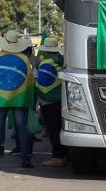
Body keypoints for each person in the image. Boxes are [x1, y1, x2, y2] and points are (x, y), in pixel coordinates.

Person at [0, 30, 34, 169]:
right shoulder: (24, 59)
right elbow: (29, 80)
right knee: (22, 128)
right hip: (18, 98)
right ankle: (26, 160)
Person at [35, 38, 66, 166]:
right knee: (61, 129)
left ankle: (57, 157)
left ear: (46, 51)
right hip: (62, 101)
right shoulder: (62, 61)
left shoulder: (45, 64)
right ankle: (65, 156)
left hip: (49, 102)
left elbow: (43, 86)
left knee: (53, 130)